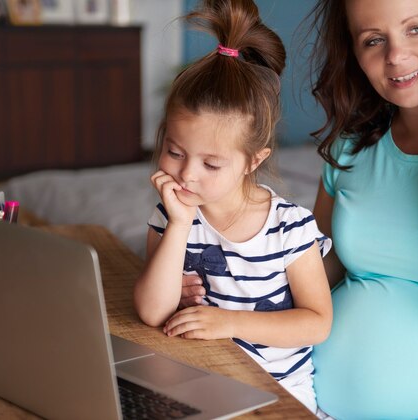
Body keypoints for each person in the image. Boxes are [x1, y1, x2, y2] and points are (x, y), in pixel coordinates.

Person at [180, 0, 418, 418]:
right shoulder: (353, 145)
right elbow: (309, 280)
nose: (395, 56)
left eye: (416, 29)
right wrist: (215, 283)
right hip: (309, 404)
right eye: (373, 40)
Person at [133, 0, 333, 413]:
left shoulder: (289, 228)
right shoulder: (171, 213)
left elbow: (317, 322)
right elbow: (153, 312)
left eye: (210, 163)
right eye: (174, 151)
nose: (186, 175)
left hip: (278, 393)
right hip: (199, 378)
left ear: (253, 161)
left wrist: (228, 322)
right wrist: (179, 225)